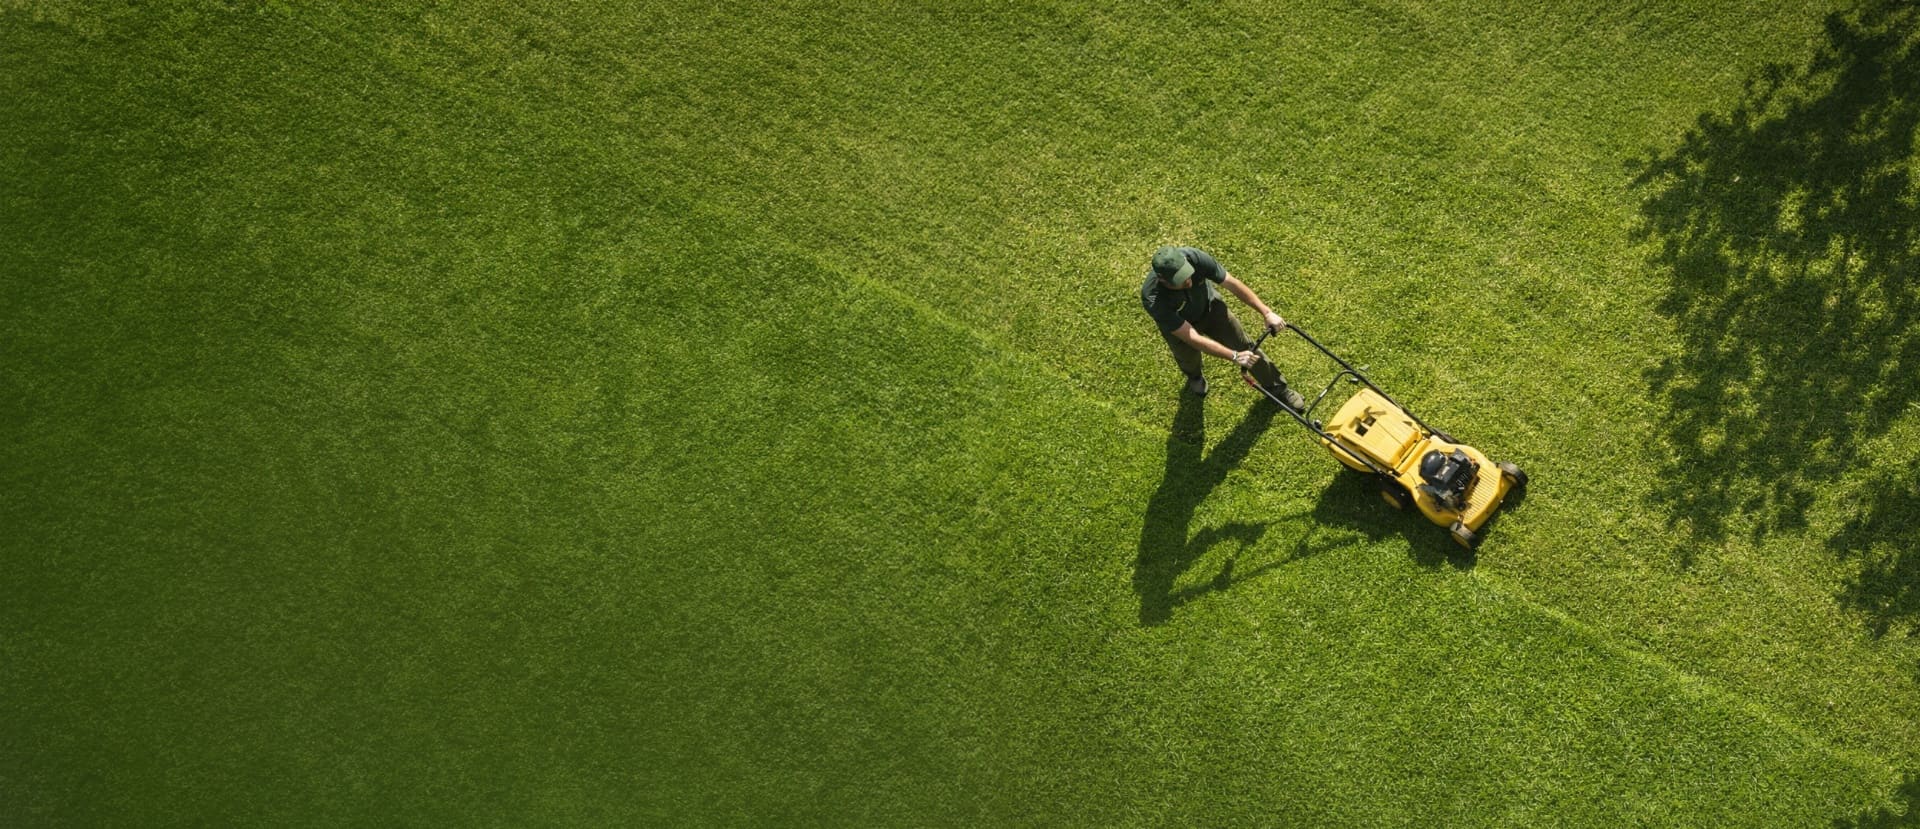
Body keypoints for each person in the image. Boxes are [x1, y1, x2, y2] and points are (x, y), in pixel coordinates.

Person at [1140, 245, 1305, 410]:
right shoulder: (1154, 299)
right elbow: (1192, 337)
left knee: (1247, 347)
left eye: (1187, 273)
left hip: (1212, 309)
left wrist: (1266, 312)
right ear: (1163, 280)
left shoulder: (1194, 257)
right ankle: (1195, 376)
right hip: (1181, 328)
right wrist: (1234, 356)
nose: (1187, 280)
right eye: (1180, 279)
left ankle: (1278, 389)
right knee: (1187, 358)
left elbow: (1232, 283)